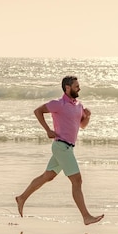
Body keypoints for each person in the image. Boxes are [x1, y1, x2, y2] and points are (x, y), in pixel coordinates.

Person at [15, 76, 104, 225]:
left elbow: (82, 125)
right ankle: (86, 217)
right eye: (76, 86)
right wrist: (48, 130)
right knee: (77, 180)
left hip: (67, 148)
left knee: (47, 176)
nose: (79, 88)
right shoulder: (58, 104)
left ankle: (22, 198)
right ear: (67, 88)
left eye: (79, 86)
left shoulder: (78, 105)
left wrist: (87, 116)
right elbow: (38, 111)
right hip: (61, 146)